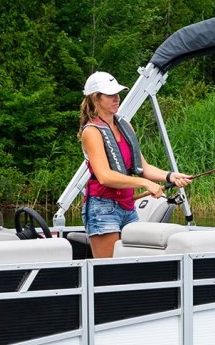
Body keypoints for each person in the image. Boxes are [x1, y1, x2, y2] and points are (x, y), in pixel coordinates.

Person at [79, 71, 192, 259]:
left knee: (130, 266)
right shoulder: (91, 132)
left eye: (117, 93)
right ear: (95, 98)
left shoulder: (125, 126)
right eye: (110, 94)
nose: (117, 98)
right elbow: (105, 176)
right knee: (108, 270)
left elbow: (143, 168)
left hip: (128, 207)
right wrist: (145, 184)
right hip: (102, 208)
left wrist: (170, 176)